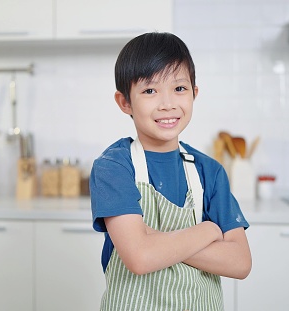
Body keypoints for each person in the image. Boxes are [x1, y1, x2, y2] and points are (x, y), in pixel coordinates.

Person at [90, 32, 251, 311]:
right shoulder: (114, 167)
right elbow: (140, 258)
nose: (167, 103)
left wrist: (157, 242)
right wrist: (208, 230)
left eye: (179, 89)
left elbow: (240, 263)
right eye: (150, 90)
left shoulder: (209, 172)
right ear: (124, 102)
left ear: (194, 93)